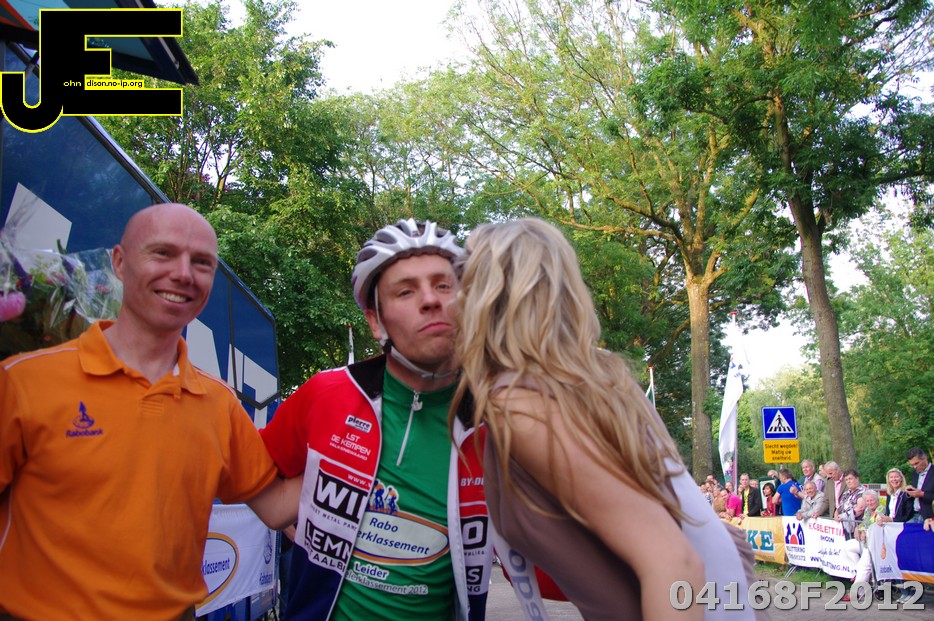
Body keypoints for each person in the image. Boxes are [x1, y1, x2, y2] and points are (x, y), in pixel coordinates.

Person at [0, 203, 300, 620]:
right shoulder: (22, 380)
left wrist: (369, 439)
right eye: (163, 253)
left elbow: (277, 506)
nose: (183, 273)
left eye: (202, 262)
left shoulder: (219, 403)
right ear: (119, 263)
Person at [451, 218, 762, 621]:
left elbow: (673, 561)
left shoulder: (526, 405)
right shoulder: (598, 379)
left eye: (461, 279)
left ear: (484, 297)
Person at [259, 219, 492, 621]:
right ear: (375, 322)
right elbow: (269, 500)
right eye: (406, 291)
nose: (430, 300)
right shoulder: (326, 392)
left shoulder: (498, 420)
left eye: (443, 285)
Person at [840, 490, 886, 602]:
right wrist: (858, 528)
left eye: (872, 500)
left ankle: (856, 592)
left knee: (863, 566)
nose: (869, 503)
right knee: (847, 546)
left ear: (877, 500)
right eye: (867, 501)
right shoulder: (867, 510)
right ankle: (858, 574)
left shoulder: (881, 509)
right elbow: (864, 523)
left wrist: (863, 530)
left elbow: (873, 525)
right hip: (865, 541)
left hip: (875, 543)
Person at [834, 469, 867, 537]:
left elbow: (860, 509)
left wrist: (843, 517)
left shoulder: (863, 491)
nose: (848, 481)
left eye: (850, 479)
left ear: (857, 479)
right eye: (846, 480)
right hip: (844, 526)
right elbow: (839, 507)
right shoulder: (846, 493)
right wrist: (836, 515)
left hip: (856, 525)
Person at [906, 447, 934, 523]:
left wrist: (922, 494)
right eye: (912, 465)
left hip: (929, 517)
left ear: (925, 458)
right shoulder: (914, 474)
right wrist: (909, 492)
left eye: (916, 463)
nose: (915, 467)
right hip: (914, 514)